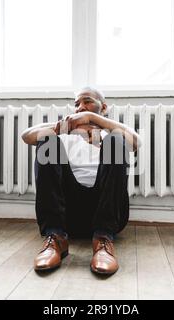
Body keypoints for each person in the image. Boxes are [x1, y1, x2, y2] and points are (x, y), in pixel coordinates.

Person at [21, 87, 141, 275]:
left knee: (117, 139)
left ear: (103, 107)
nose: (80, 107)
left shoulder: (110, 138)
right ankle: (55, 237)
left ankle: (103, 240)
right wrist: (64, 126)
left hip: (107, 215)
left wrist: (93, 120)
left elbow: (135, 142)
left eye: (87, 101)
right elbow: (26, 136)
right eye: (76, 104)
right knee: (47, 140)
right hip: (68, 215)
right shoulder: (66, 135)